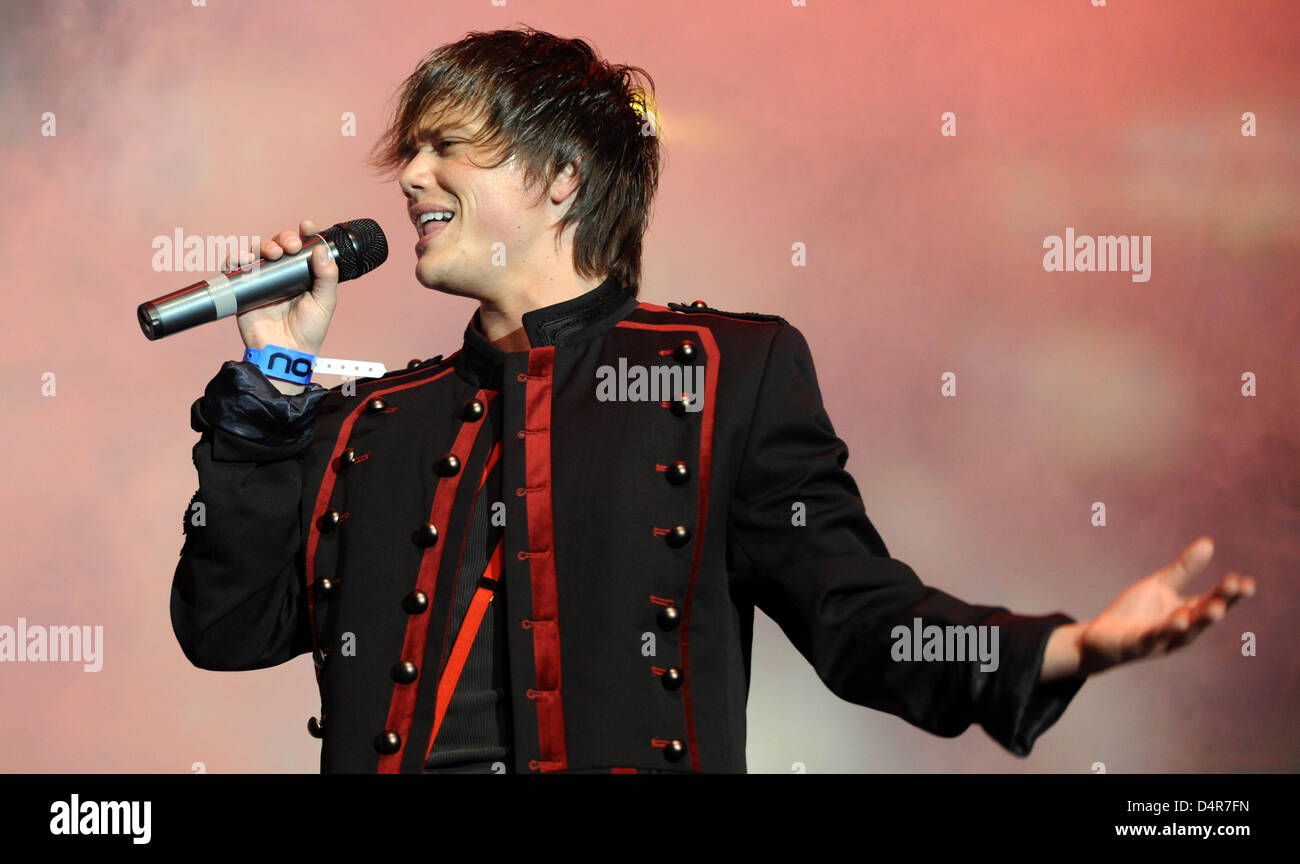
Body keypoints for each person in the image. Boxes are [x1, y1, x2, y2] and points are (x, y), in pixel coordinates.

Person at [169, 26, 1255, 773]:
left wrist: (1060, 650)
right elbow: (224, 629)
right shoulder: (377, 421)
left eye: (447, 145)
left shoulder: (721, 371)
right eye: (408, 149)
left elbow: (857, 615)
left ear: (563, 179)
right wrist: (271, 387)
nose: (408, 176)